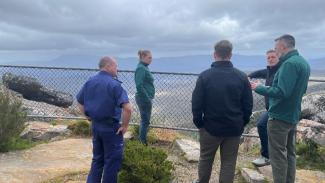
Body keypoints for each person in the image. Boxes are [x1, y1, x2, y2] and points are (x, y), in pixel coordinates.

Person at [251, 34, 310, 183]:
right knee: (290, 154)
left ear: (283, 47)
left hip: (279, 117)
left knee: (277, 157)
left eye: (276, 48)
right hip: (292, 115)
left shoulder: (289, 64)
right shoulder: (303, 62)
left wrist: (259, 88)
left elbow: (281, 92)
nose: (275, 51)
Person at [192, 40, 253, 183]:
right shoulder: (241, 77)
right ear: (230, 55)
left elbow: (196, 103)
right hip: (234, 128)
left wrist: (200, 123)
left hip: (210, 127)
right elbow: (248, 105)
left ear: (215, 55)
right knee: (229, 162)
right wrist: (242, 122)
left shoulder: (205, 76)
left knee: (206, 158)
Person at [76, 56, 132, 183]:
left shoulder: (90, 81)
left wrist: (88, 116)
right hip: (111, 128)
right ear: (108, 66)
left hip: (96, 126)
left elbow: (80, 102)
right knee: (112, 162)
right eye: (116, 66)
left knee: (97, 159)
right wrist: (124, 126)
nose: (117, 69)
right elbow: (128, 108)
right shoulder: (114, 84)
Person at [248, 49, 280, 166]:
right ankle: (269, 155)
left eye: (273, 57)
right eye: (268, 58)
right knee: (265, 127)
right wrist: (247, 76)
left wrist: (259, 87)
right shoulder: (269, 71)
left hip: (276, 109)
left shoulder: (280, 71)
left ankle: (266, 156)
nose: (270, 59)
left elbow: (276, 91)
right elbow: (259, 72)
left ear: (278, 58)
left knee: (261, 124)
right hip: (270, 108)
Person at [135, 49, 155, 145]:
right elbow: (139, 85)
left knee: (145, 121)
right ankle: (142, 143)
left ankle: (143, 141)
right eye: (149, 57)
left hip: (146, 98)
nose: (151, 59)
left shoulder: (144, 67)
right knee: (145, 121)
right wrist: (147, 98)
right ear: (143, 57)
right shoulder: (141, 68)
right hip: (144, 99)